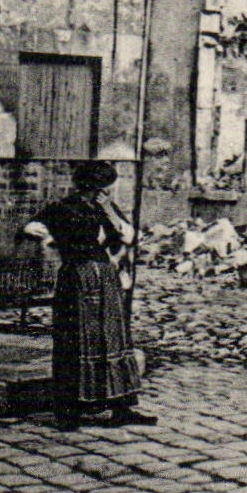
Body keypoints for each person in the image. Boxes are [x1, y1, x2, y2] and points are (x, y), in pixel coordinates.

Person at [23, 162, 155, 428]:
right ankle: (70, 411)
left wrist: (109, 212)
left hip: (104, 278)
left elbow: (129, 237)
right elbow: (33, 228)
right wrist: (42, 232)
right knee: (78, 340)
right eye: (98, 188)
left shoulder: (104, 209)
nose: (99, 193)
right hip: (78, 278)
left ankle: (120, 407)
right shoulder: (62, 208)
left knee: (112, 340)